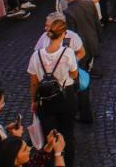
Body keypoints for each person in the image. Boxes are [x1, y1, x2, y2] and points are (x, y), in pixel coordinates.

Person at [27, 18, 78, 167]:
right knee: (68, 135)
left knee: (49, 136)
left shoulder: (36, 56)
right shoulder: (68, 53)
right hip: (66, 96)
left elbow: (34, 82)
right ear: (64, 34)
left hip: (45, 99)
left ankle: (51, 163)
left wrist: (34, 101)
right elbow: (74, 75)